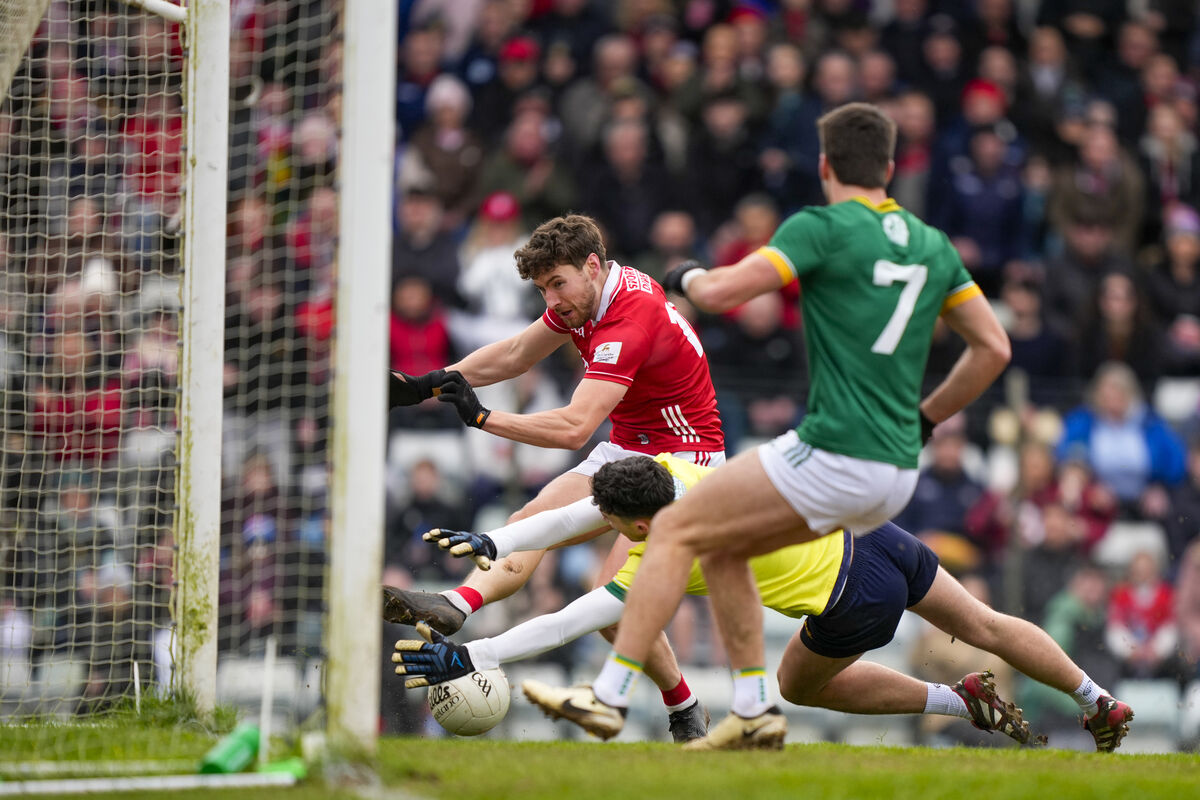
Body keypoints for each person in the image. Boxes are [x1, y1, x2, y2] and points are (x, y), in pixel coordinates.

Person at [521, 102, 1012, 749]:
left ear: (825, 166)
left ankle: (617, 696)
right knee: (983, 625)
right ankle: (1094, 698)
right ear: (891, 168)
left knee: (681, 528)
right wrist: (927, 417)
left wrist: (688, 275)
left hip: (832, 458)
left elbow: (721, 293)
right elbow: (995, 349)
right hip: (895, 467)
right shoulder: (930, 243)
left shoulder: (822, 227)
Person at [395, 455, 1134, 752]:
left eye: (615, 526)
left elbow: (571, 621)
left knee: (796, 684)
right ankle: (1096, 698)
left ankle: (954, 699)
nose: (606, 531)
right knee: (986, 624)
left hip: (852, 597)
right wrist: (497, 540)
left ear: (639, 528)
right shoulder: (674, 473)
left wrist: (475, 653)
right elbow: (578, 514)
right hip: (873, 536)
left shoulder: (669, 555)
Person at [385, 213, 724, 740]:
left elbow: (574, 427)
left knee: (611, 604)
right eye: (543, 289)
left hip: (685, 462)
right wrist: (428, 384)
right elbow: (516, 353)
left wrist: (484, 418)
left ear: (592, 265)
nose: (551, 299)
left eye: (557, 284)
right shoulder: (586, 296)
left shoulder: (629, 317)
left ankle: (685, 710)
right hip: (629, 449)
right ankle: (457, 603)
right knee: (529, 520)